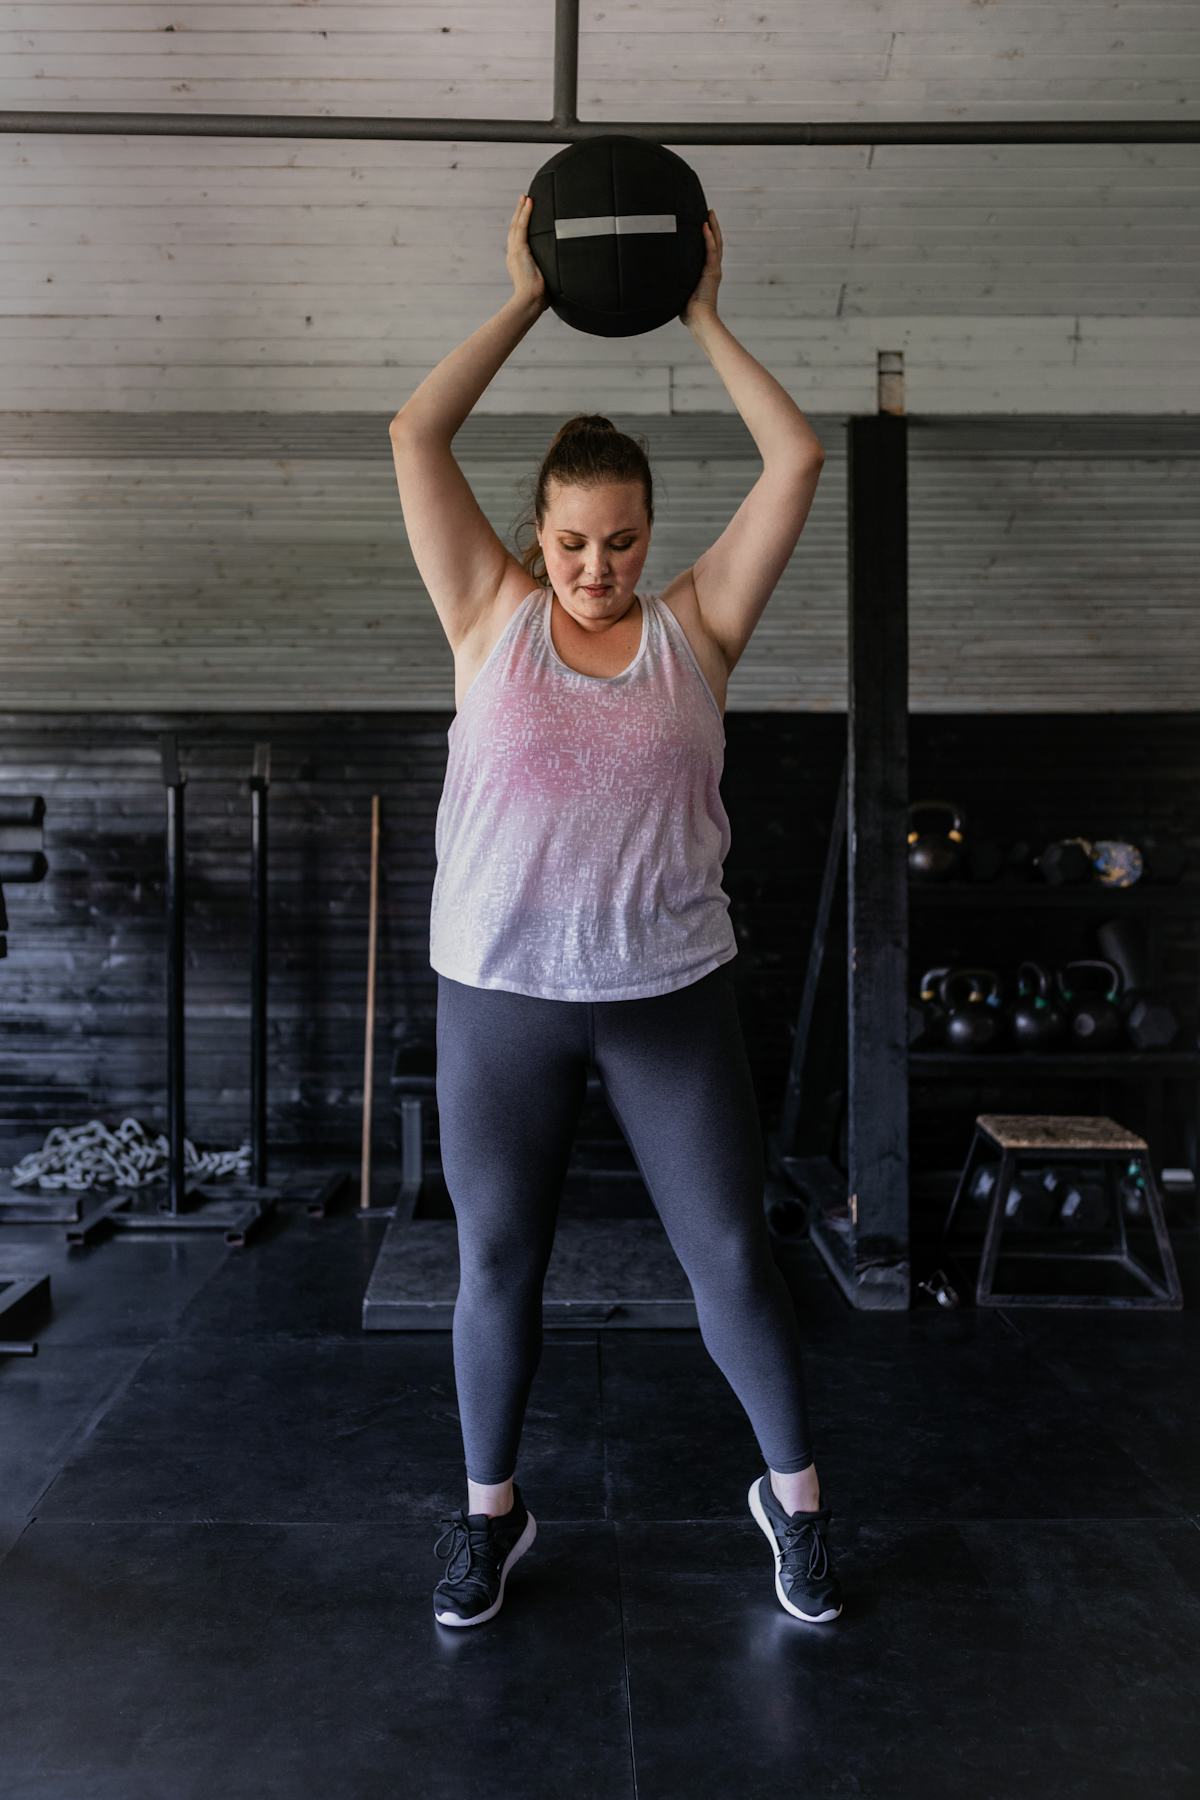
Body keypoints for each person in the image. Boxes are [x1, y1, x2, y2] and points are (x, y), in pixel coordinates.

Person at [389, 194, 840, 1629]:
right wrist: (529, 295)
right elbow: (415, 435)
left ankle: (797, 1503)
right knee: (497, 1265)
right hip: (502, 995)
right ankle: (489, 1519)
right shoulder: (487, 617)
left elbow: (799, 456)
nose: (598, 569)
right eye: (576, 543)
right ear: (538, 532)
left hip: (667, 998)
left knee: (729, 1260)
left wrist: (700, 309)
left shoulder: (697, 631)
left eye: (623, 541)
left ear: (653, 535)